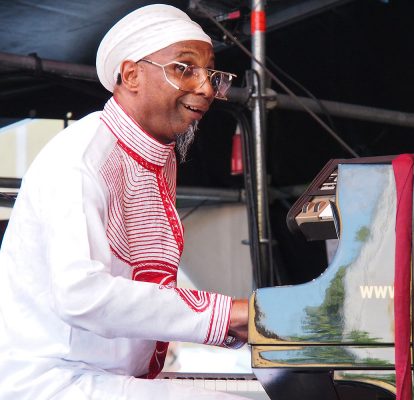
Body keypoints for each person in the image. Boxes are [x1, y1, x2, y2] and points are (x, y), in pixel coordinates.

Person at [0, 4, 250, 399]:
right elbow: (81, 295)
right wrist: (230, 314)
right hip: (52, 383)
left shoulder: (156, 158)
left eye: (210, 74)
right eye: (184, 68)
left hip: (108, 378)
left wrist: (238, 323)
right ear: (131, 75)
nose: (205, 88)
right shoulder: (81, 158)